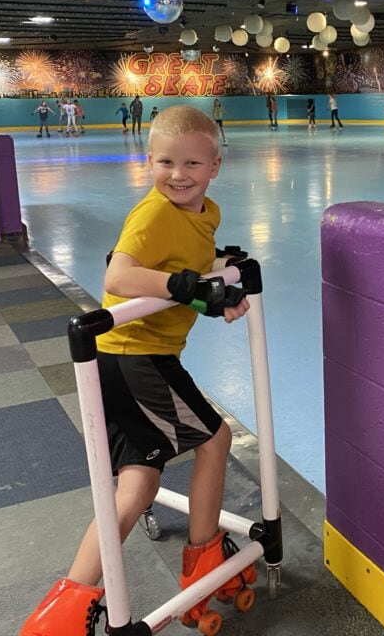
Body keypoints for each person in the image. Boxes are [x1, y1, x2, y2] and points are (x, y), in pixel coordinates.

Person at [19, 107, 251, 636]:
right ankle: (204, 565)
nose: (178, 174)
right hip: (134, 356)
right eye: (165, 162)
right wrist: (188, 289)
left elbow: (186, 268)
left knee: (139, 484)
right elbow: (120, 275)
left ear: (214, 166)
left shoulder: (204, 213)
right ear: (148, 162)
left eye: (192, 162)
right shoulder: (154, 214)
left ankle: (60, 615)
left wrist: (218, 284)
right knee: (214, 442)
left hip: (123, 358)